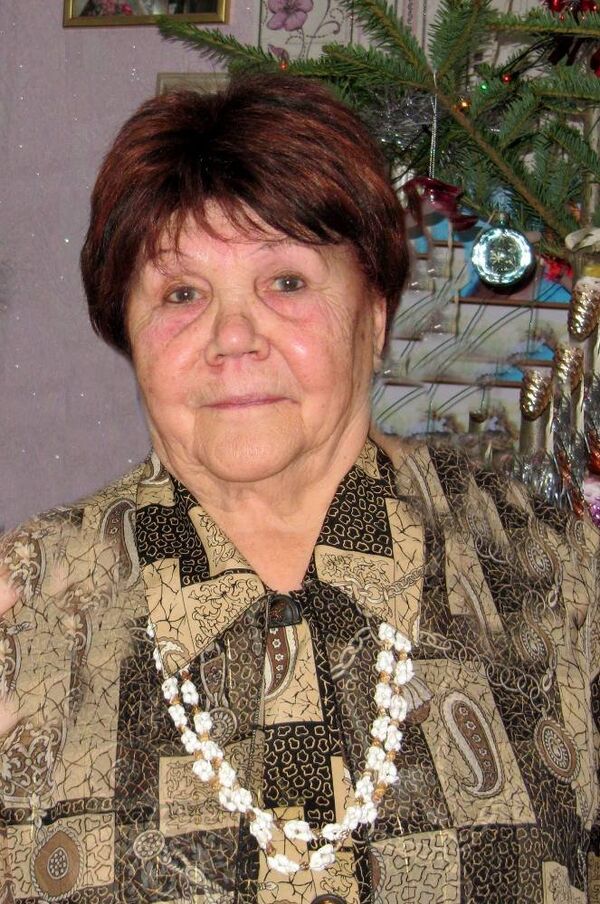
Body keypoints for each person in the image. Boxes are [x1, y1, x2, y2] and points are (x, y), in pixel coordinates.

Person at [0, 73, 598, 904]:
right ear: (129, 331)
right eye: (181, 293)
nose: (232, 337)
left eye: (285, 282)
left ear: (375, 314)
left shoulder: (553, 576)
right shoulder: (24, 605)